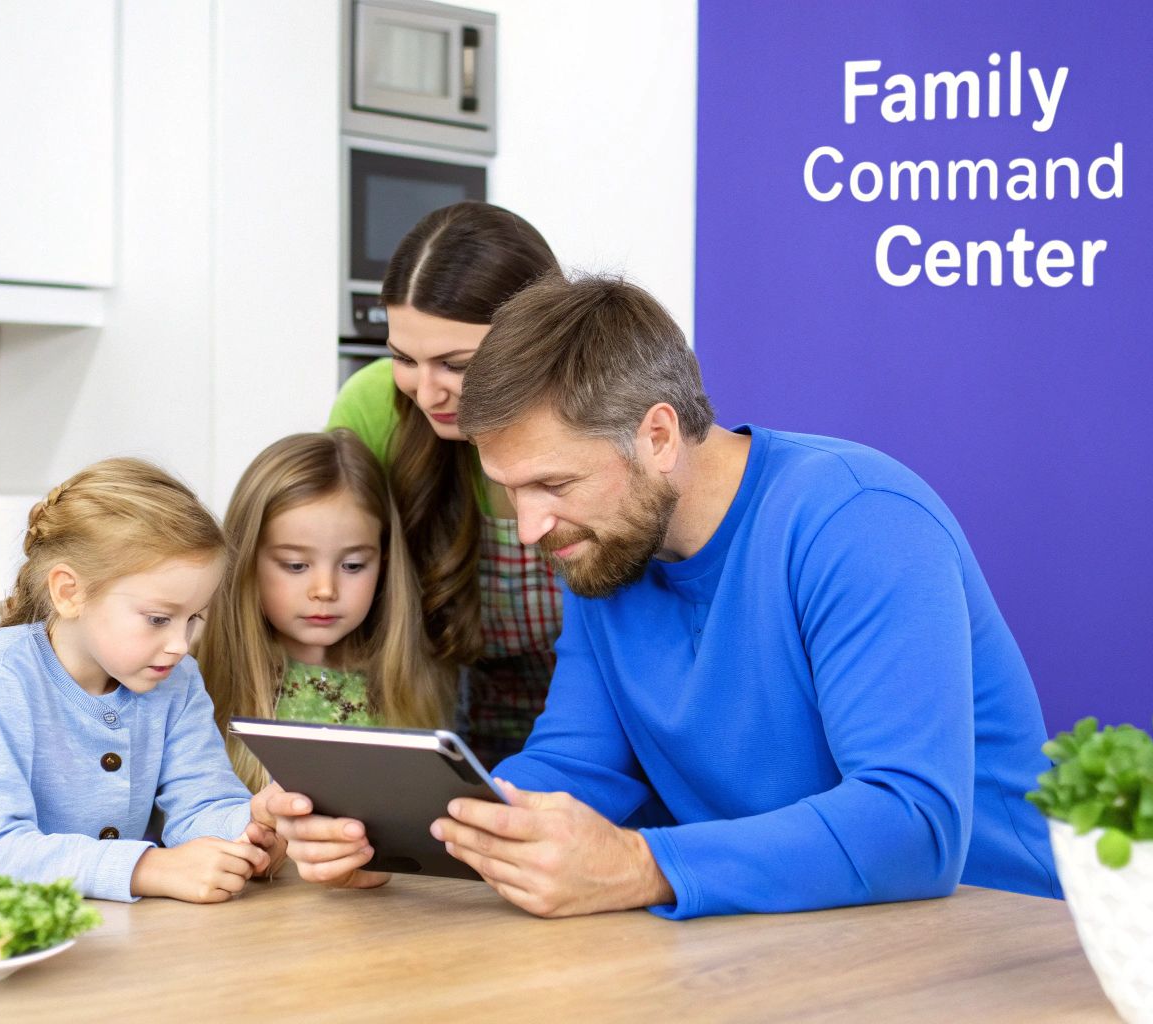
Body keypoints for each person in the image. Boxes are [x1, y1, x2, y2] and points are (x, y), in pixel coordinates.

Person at [273, 274, 1062, 920]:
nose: (529, 529)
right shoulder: (607, 543)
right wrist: (398, 831)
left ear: (657, 436)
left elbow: (912, 826)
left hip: (985, 936)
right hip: (780, 938)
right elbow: (578, 767)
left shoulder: (860, 521)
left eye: (553, 483)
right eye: (511, 491)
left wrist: (642, 865)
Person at [0, 457, 285, 904]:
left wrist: (250, 824)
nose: (180, 644)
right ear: (70, 592)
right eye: (158, 618)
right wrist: (147, 867)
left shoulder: (176, 680)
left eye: (195, 617)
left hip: (84, 929)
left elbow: (202, 804)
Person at [328, 201, 563, 767]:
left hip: (588, 745)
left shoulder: (602, 426)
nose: (427, 393)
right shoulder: (371, 405)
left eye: (457, 365)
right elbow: (325, 601)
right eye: (405, 358)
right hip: (425, 724)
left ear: (540, 339)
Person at [196, 431, 450, 790]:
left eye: (353, 565)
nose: (325, 591)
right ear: (246, 560)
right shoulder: (196, 683)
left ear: (384, 560)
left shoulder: (405, 680)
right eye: (296, 565)